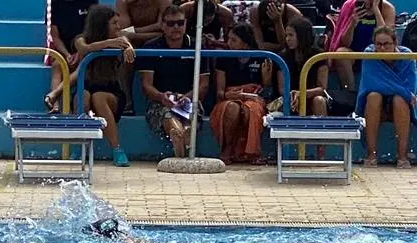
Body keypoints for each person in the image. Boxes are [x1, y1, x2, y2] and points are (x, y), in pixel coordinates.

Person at [45, 5, 135, 166]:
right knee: (83, 96)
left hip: (112, 92)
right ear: (102, 24)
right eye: (114, 23)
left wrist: (128, 46)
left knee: (99, 98)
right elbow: (84, 48)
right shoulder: (81, 38)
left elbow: (126, 42)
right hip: (86, 87)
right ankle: (79, 148)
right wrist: (108, 43)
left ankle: (117, 149)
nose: (118, 26)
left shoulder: (120, 38)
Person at [139, 4, 212, 157]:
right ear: (162, 25)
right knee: (170, 120)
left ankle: (182, 151)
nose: (176, 27)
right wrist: (161, 97)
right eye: (171, 24)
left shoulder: (197, 46)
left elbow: (203, 84)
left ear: (186, 24)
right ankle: (181, 152)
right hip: (160, 101)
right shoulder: (151, 47)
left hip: (190, 99)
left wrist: (187, 97)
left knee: (189, 120)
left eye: (180, 23)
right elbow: (146, 85)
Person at [210, 23, 272, 164]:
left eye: (233, 40)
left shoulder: (261, 57)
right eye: (228, 39)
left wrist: (267, 81)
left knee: (252, 109)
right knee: (232, 108)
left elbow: (267, 93)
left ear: (245, 43)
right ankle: (227, 149)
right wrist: (230, 95)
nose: (228, 43)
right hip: (229, 98)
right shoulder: (223, 58)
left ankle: (252, 152)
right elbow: (220, 92)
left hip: (254, 99)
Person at [356, 26, 416, 168]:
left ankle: (402, 156)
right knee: (373, 96)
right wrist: (404, 92)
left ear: (395, 44)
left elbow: (410, 86)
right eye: (378, 44)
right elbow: (372, 84)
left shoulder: (407, 56)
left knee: (400, 100)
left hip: (400, 104)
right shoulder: (369, 54)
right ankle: (371, 155)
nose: (382, 48)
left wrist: (404, 93)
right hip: (376, 105)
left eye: (386, 44)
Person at [328, 0, 397, 92]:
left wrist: (376, 11)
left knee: (383, 49)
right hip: (356, 54)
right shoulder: (349, 6)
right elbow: (345, 43)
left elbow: (386, 40)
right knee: (341, 53)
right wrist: (352, 23)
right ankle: (349, 94)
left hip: (378, 53)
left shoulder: (388, 8)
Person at [48, 0, 100, 112]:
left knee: (83, 64)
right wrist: (67, 54)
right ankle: (55, 106)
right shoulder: (56, 4)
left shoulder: (91, 3)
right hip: (65, 50)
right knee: (58, 65)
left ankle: (60, 97)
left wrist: (80, 51)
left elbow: (94, 30)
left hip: (86, 46)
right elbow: (55, 36)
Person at [275, 16, 330, 116]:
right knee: (281, 105)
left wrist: (302, 94)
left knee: (319, 100)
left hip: (311, 97)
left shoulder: (319, 56)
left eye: (291, 35)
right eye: (286, 35)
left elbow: (322, 89)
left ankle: (322, 131)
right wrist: (294, 96)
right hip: (290, 98)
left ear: (302, 36)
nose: (287, 39)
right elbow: (282, 89)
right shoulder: (282, 57)